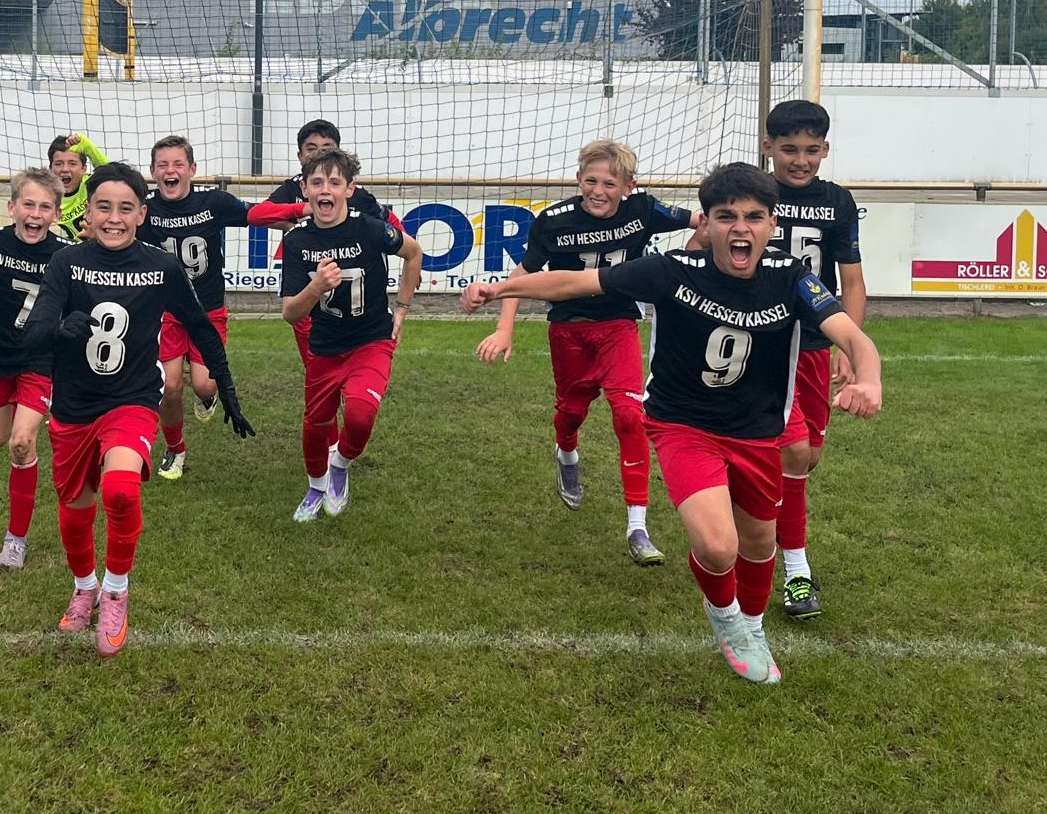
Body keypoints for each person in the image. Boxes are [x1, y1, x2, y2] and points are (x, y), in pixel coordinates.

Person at [462, 162, 882, 685]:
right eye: (726, 216)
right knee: (718, 546)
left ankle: (752, 627)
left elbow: (854, 338)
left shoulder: (792, 277)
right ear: (706, 222)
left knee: (758, 545)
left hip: (757, 432)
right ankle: (725, 616)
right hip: (684, 427)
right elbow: (576, 281)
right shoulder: (671, 269)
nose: (740, 228)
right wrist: (500, 289)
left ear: (772, 224)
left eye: (754, 217)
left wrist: (869, 380)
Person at [23, 162, 253, 657]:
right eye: (103, 207)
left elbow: (200, 324)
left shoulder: (161, 266)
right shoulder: (65, 263)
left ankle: (115, 592)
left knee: (121, 490)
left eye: (125, 208)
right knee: (76, 507)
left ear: (141, 214)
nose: (114, 218)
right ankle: (84, 586)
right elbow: (37, 326)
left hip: (132, 398)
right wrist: (58, 330)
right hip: (74, 403)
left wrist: (228, 388)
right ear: (87, 212)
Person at [473, 139, 700, 566]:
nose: (598, 191)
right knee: (571, 412)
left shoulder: (644, 209)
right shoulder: (554, 221)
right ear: (578, 179)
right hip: (569, 330)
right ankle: (567, 453)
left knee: (630, 416)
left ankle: (637, 526)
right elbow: (524, 273)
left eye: (609, 184)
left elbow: (703, 220)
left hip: (618, 325)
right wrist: (504, 326)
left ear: (628, 187)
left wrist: (699, 255)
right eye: (590, 181)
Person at [138, 134, 305, 480]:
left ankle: (207, 397)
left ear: (192, 169)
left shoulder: (213, 202)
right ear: (153, 172)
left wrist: (299, 217)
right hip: (166, 312)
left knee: (204, 385)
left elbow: (256, 215)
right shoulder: (145, 209)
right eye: (162, 165)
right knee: (169, 386)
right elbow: (118, 228)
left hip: (208, 310)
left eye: (178, 164)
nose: (170, 170)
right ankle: (175, 449)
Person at [763, 100, 865, 620]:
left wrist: (850, 344)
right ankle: (796, 573)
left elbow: (853, 281)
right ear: (769, 148)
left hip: (815, 343)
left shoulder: (837, 201)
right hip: (763, 339)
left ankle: (759, 519)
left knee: (806, 458)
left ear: (825, 150)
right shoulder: (754, 194)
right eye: (789, 149)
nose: (800, 160)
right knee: (794, 453)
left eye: (810, 150)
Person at [280, 147, 422, 522]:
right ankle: (315, 487)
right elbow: (290, 313)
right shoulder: (297, 241)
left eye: (334, 182)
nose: (325, 189)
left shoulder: (370, 228)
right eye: (317, 182)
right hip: (325, 347)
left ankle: (340, 463)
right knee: (315, 426)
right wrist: (315, 288)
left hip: (371, 340)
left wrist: (402, 307)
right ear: (305, 190)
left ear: (349, 189)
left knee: (359, 416)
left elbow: (414, 253)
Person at [0, 168, 69, 571]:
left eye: (45, 206)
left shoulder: (64, 256)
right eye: (28, 204)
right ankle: (22, 441)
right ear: (12, 207)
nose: (35, 213)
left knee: (21, 442)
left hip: (40, 361)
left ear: (56, 214)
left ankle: (15, 541)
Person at [265, 120, 405, 367]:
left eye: (327, 147)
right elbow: (258, 214)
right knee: (315, 359)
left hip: (352, 297)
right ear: (300, 156)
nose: (319, 153)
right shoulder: (292, 190)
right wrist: (299, 214)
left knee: (354, 358)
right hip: (307, 285)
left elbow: (389, 220)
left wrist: (405, 248)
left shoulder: (356, 197)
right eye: (311, 148)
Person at [48, 132, 109, 239]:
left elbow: (112, 173)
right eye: (58, 164)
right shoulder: (47, 197)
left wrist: (88, 146)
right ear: (50, 169)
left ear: (84, 169)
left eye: (72, 163)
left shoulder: (93, 185)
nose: (65, 169)